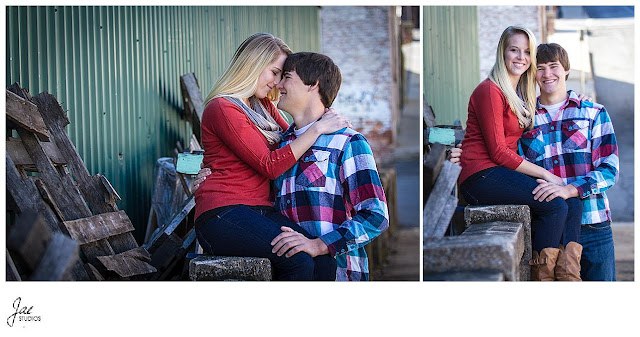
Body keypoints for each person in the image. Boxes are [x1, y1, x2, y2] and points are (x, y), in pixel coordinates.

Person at [450, 43, 620, 281]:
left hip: (593, 224)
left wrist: (569, 189)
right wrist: (463, 151)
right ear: (533, 73)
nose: (547, 74)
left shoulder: (593, 112)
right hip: (550, 227)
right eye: (540, 68)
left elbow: (609, 170)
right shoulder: (524, 117)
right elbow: (501, 151)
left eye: (554, 66)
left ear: (567, 70)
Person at [194, 33, 350, 281]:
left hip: (260, 210)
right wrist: (319, 128)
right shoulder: (223, 108)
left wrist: (323, 117)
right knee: (297, 260)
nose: (277, 83)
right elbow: (270, 165)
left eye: (281, 76)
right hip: (224, 213)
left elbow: (291, 137)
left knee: (321, 256)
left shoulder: (262, 107)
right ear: (253, 65)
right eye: (274, 72)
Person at [268, 52, 389, 281]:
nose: (278, 84)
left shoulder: (348, 142)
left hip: (338, 274)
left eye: (286, 77)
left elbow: (376, 215)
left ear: (313, 85)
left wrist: (319, 245)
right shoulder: (279, 146)